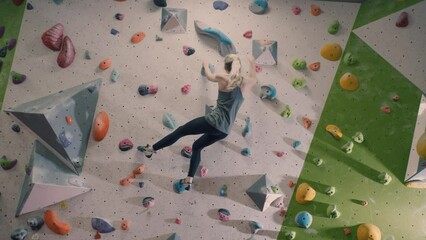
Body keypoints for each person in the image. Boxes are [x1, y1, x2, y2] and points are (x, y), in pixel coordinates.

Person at [139, 54, 258, 193]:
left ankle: (151, 149)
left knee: (181, 131)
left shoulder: (223, 77)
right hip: (225, 130)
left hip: (213, 121)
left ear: (226, 66)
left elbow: (209, 76)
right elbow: (254, 78)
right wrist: (252, 62)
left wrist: (206, 64)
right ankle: (189, 179)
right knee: (197, 147)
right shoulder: (245, 83)